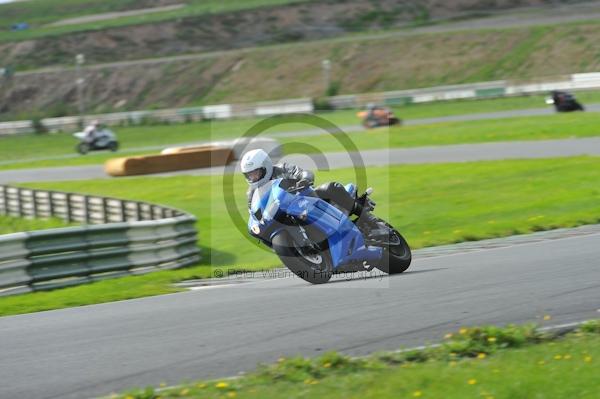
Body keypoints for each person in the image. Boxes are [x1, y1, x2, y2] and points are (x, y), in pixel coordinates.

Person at [241, 149, 385, 237]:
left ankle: (370, 221)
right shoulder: (252, 194)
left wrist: (304, 180)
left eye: (255, 173)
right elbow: (253, 212)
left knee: (330, 187)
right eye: (249, 175)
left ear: (265, 166)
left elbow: (303, 172)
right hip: (284, 215)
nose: (253, 177)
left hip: (306, 199)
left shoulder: (282, 169)